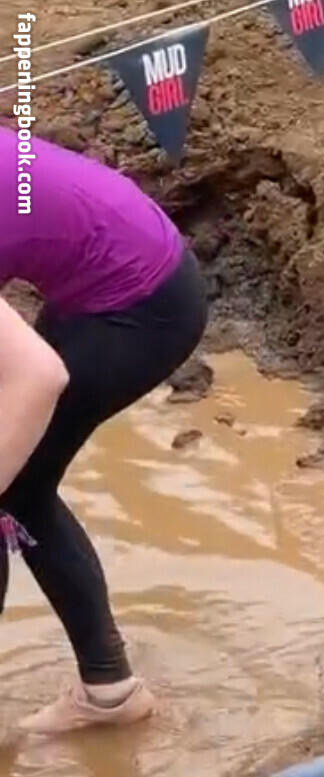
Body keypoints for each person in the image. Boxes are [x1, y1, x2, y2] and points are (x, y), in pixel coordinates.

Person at [0, 129, 208, 735]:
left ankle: (110, 692)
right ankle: (109, 685)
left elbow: (38, 376)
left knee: (17, 487)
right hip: (110, 268)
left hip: (142, 307)